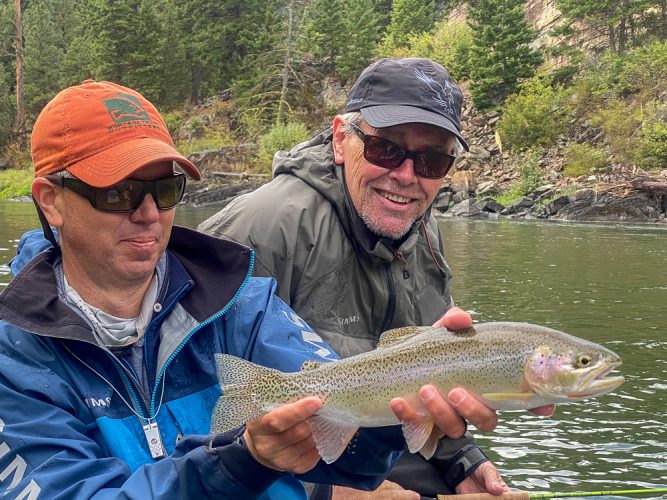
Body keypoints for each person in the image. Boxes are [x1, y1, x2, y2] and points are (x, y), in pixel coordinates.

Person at [0, 80, 485, 499]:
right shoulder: (16, 363)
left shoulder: (242, 305)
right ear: (52, 202)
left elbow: (350, 458)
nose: (147, 212)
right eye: (117, 193)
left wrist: (407, 395)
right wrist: (240, 461)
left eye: (164, 190)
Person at [199, 58, 555, 499]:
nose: (406, 176)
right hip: (281, 475)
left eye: (431, 160)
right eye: (386, 149)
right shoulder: (260, 229)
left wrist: (461, 461)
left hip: (378, 447)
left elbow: (425, 372)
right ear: (339, 140)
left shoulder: (420, 232)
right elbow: (191, 426)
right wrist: (339, 494)